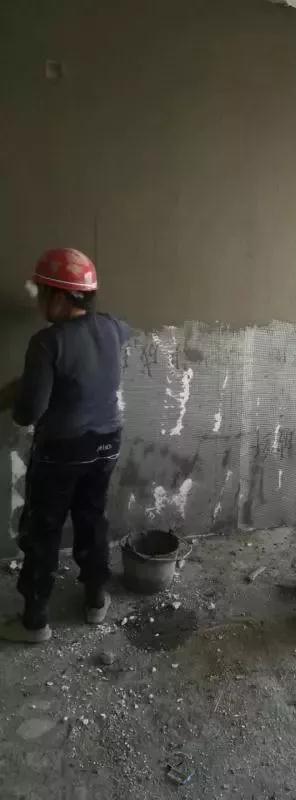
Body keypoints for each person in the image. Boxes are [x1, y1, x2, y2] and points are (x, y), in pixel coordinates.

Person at [0, 248, 129, 643]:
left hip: (63, 451)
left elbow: (28, 413)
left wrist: (23, 391)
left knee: (44, 529)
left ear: (59, 297)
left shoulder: (47, 342)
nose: (38, 302)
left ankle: (34, 622)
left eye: (41, 293)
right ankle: (96, 601)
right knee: (92, 519)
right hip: (108, 444)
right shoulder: (113, 327)